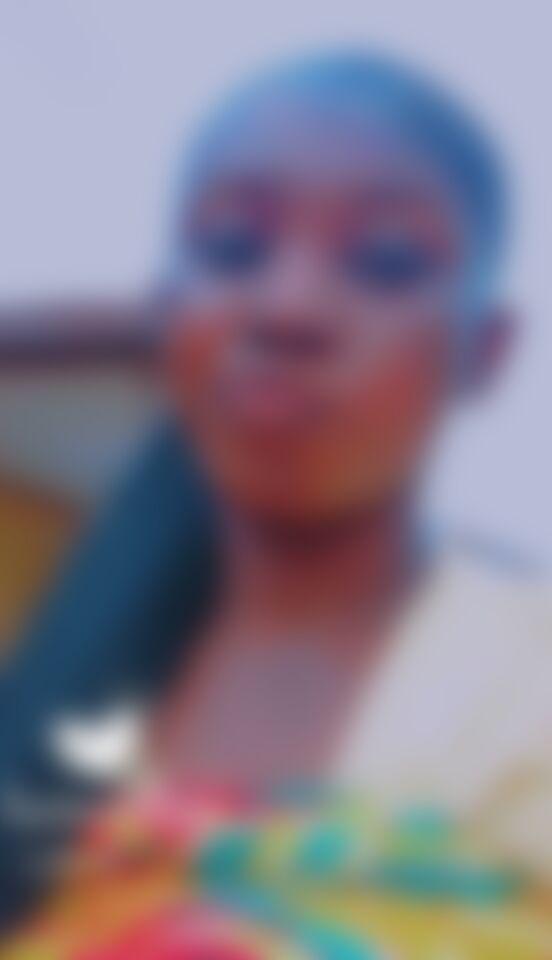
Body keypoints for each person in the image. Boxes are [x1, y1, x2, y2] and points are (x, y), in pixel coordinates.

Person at [1, 51, 551, 933]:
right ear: (167, 313)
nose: (287, 306)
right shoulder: (52, 704)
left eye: (386, 260)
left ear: (484, 351)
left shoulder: (528, 681)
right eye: (232, 247)